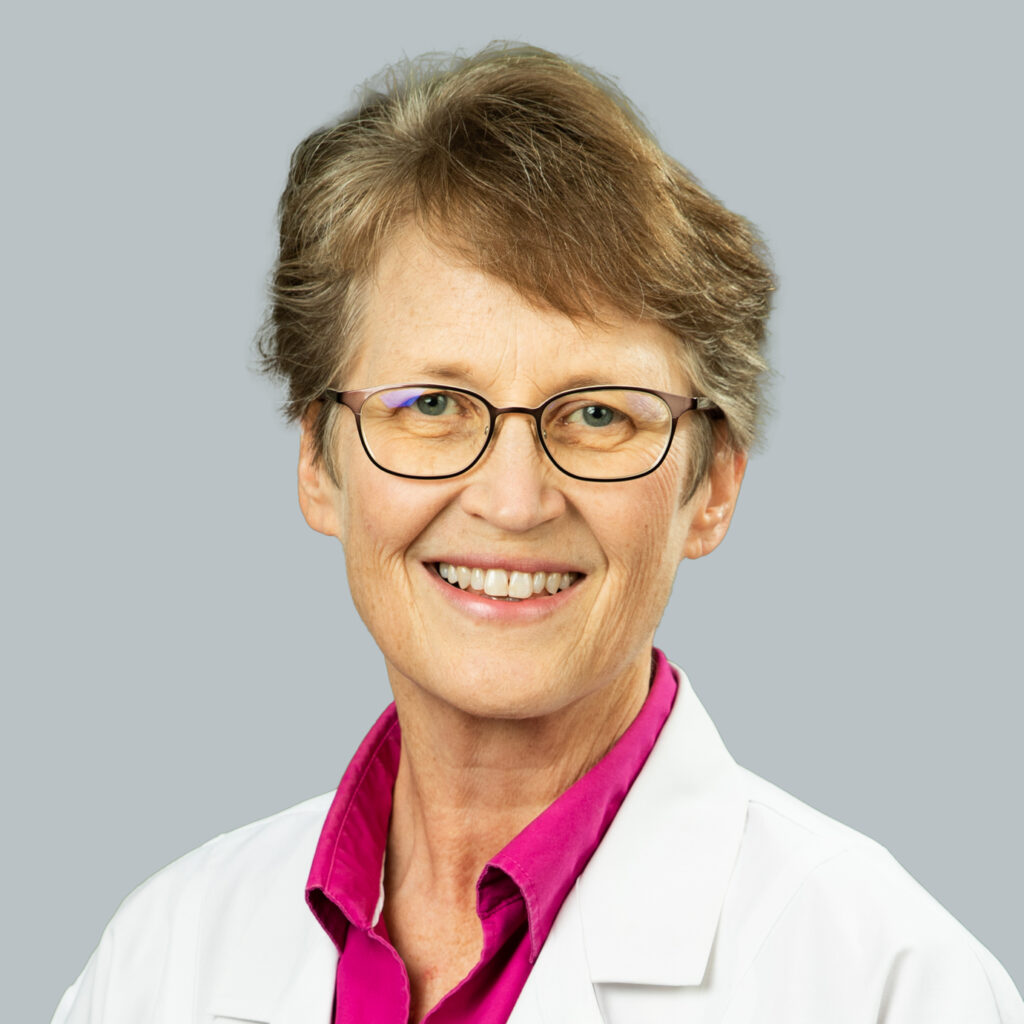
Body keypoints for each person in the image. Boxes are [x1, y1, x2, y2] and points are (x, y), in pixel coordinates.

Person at [51, 43, 1023, 1024]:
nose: (514, 502)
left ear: (714, 485)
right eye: (431, 404)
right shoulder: (162, 960)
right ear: (317, 462)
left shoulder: (886, 984)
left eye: (598, 414)